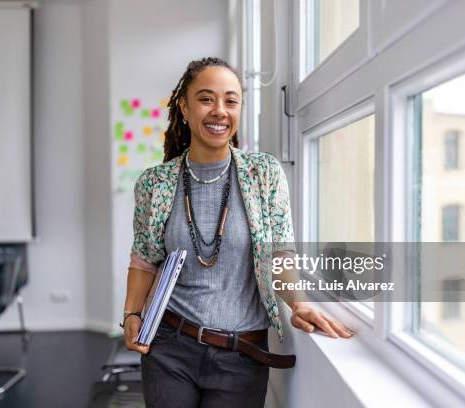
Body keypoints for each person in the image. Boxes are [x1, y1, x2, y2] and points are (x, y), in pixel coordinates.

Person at [122, 57, 353, 408]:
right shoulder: (156, 183)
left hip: (241, 354)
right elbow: (144, 259)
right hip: (170, 346)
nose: (219, 110)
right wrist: (131, 315)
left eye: (231, 101)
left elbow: (281, 254)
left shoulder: (263, 174)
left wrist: (298, 303)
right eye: (206, 99)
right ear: (184, 106)